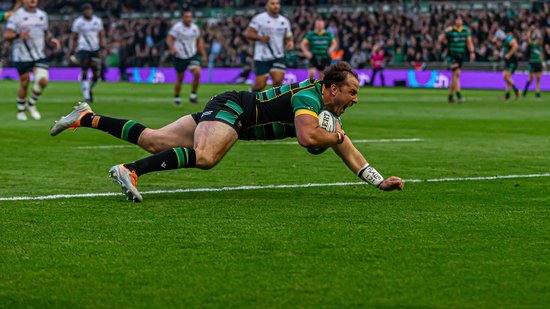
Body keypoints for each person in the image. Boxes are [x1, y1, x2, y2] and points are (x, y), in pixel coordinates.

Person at [50, 62, 404, 202]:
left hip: (230, 111)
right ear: (331, 88)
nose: (355, 100)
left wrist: (377, 180)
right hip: (235, 109)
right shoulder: (309, 97)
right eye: (352, 92)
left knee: (154, 139)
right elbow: (308, 138)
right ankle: (130, 170)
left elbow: (348, 150)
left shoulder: (325, 111)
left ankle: (87, 117)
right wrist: (337, 137)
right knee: (206, 158)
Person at [3, 0, 60, 121]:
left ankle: (31, 104)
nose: (32, 0)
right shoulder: (16, 15)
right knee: (25, 83)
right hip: (21, 55)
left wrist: (51, 39)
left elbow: (46, 32)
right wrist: (18, 35)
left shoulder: (42, 15)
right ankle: (21, 110)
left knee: (43, 81)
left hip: (38, 55)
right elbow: (6, 35)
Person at [245, 0, 293, 91]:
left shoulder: (284, 21)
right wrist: (260, 38)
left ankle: (274, 103)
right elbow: (248, 33)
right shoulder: (259, 19)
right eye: (272, 3)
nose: (276, 6)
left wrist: (290, 43)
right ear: (266, 6)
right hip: (262, 57)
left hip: (278, 56)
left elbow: (288, 37)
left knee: (278, 82)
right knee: (260, 85)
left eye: (277, 3)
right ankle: (249, 94)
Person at [166, 9, 207, 105]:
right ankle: (177, 97)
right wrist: (172, 48)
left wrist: (203, 54)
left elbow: (198, 42)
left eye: (190, 17)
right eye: (187, 17)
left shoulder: (195, 28)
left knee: (197, 72)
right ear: (182, 18)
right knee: (180, 78)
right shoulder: (177, 27)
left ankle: (193, 95)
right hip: (180, 56)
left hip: (192, 55)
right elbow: (169, 38)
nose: (189, 19)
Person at [69, 3, 106, 103]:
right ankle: (86, 96)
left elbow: (101, 35)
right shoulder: (78, 22)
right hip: (83, 48)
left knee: (96, 74)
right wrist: (72, 51)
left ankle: (88, 89)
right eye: (86, 10)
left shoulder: (97, 21)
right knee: (85, 69)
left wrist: (103, 48)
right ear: (83, 12)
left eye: (89, 10)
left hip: (95, 48)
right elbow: (74, 37)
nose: (88, 12)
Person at [438, 17, 475, 103]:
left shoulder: (466, 30)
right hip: (452, 56)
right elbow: (440, 39)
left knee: (455, 76)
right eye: (457, 20)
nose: (459, 21)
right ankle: (459, 96)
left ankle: (450, 97)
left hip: (461, 55)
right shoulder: (450, 30)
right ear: (455, 21)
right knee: (456, 74)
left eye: (460, 20)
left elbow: (469, 42)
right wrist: (445, 32)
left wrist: (472, 52)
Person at [494, 29, 520, 100]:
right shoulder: (504, 42)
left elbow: (515, 46)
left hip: (512, 61)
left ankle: (516, 90)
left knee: (506, 77)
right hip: (508, 61)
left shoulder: (509, 39)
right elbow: (502, 47)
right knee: (507, 78)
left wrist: (509, 54)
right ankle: (507, 96)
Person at [523, 27, 546, 99]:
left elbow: (542, 55)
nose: (540, 41)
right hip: (532, 62)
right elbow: (527, 38)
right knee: (531, 78)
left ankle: (537, 93)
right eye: (539, 40)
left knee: (538, 78)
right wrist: (530, 30)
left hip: (538, 63)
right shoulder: (532, 45)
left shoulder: (540, 47)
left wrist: (543, 62)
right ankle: (525, 89)